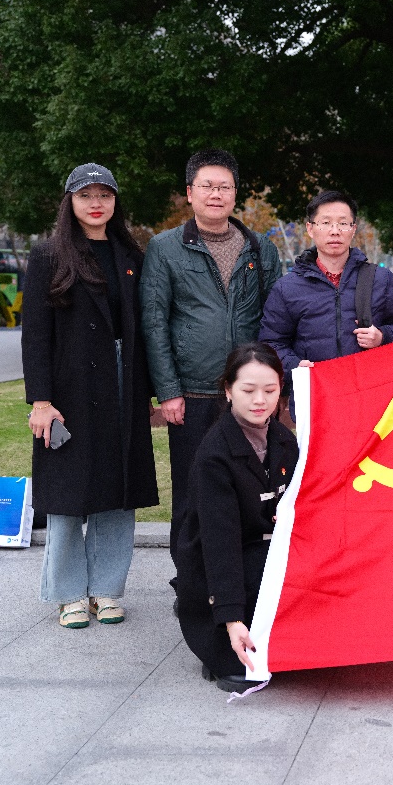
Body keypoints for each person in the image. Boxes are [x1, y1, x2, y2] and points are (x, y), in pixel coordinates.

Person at [21, 164, 159, 629]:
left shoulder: (131, 255)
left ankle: (106, 589)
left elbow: (142, 328)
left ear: (116, 201)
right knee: (68, 492)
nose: (96, 203)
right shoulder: (48, 255)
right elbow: (35, 334)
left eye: (105, 194)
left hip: (123, 383)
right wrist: (41, 400)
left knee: (118, 490)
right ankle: (68, 594)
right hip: (71, 389)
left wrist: (152, 392)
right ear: (70, 202)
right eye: (85, 195)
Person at [141, 149, 282, 573]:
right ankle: (189, 582)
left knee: (251, 491)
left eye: (224, 187)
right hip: (192, 393)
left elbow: (275, 320)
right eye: (207, 186)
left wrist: (273, 390)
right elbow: (154, 322)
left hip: (248, 395)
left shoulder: (261, 248)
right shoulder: (165, 248)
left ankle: (242, 578)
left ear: (235, 194)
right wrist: (169, 391)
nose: (216, 194)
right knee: (192, 492)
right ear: (190, 193)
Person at [175, 342, 299, 693]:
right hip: (221, 564)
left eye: (270, 390)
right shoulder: (214, 455)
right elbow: (219, 545)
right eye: (248, 390)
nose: (260, 400)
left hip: (266, 554)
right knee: (240, 665)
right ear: (228, 391)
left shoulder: (284, 440)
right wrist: (231, 619)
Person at [259, 190, 393, 395]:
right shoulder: (288, 287)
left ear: (353, 229)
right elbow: (271, 343)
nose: (335, 231)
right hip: (314, 395)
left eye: (343, 223)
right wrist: (295, 366)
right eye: (326, 223)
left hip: (371, 393)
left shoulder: (379, 279)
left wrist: (382, 336)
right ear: (310, 229)